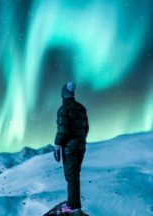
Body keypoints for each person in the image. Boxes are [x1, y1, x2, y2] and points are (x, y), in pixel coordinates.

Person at [53, 82, 89, 215]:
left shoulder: (63, 110)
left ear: (63, 94)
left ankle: (73, 206)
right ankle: (73, 203)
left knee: (71, 176)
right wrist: (80, 140)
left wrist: (57, 146)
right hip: (81, 146)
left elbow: (63, 131)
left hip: (70, 148)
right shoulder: (81, 108)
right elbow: (86, 128)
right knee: (75, 175)